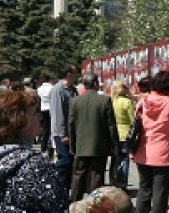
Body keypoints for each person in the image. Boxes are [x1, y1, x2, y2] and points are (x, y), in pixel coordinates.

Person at [134, 70, 169, 213]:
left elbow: (137, 127)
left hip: (143, 152)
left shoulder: (142, 102)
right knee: (160, 194)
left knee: (144, 191)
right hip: (162, 153)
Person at [68, 73, 118, 203]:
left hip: (81, 145)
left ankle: (74, 204)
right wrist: (114, 144)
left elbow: (71, 125)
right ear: (96, 83)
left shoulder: (75, 101)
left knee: (78, 175)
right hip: (99, 145)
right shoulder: (105, 100)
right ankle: (95, 205)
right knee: (97, 176)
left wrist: (73, 146)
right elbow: (111, 125)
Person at [50, 66, 79, 186]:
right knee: (65, 160)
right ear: (68, 74)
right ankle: (54, 182)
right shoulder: (58, 90)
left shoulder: (73, 89)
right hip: (62, 133)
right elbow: (58, 113)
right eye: (75, 72)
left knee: (71, 162)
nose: (77, 75)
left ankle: (65, 189)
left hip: (72, 131)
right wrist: (63, 134)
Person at [110, 80, 135, 188]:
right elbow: (132, 119)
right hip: (125, 133)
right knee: (124, 160)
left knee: (114, 159)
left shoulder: (111, 101)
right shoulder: (126, 102)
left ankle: (113, 180)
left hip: (113, 134)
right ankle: (122, 184)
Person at [37, 74, 54, 156]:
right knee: (52, 129)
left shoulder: (39, 89)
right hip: (51, 108)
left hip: (43, 108)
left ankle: (43, 148)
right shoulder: (52, 88)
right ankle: (51, 146)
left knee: (45, 129)